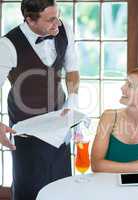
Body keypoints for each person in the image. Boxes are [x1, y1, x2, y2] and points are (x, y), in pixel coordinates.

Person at [0, 0, 79, 199]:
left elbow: (73, 71)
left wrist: (72, 101)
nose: (58, 24)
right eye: (50, 20)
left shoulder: (64, 30)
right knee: (29, 182)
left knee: (60, 180)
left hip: (59, 119)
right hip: (25, 124)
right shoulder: (8, 45)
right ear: (30, 20)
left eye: (58, 16)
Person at [91, 68, 138, 173]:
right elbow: (96, 165)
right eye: (125, 83)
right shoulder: (109, 116)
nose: (122, 88)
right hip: (108, 185)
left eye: (130, 85)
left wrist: (112, 166)